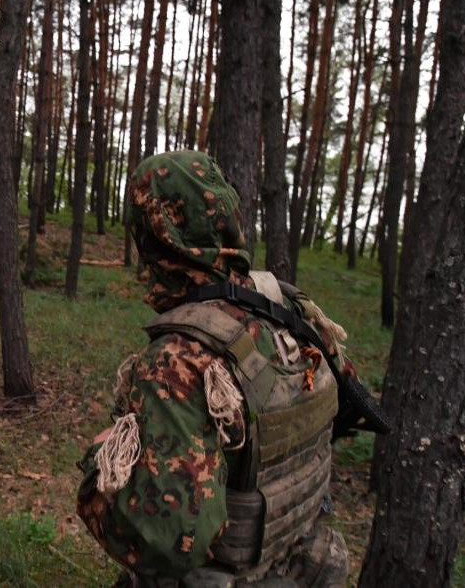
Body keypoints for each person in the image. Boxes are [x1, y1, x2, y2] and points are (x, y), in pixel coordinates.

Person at [77, 151, 386, 587]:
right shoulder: (290, 308)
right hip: (304, 568)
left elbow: (165, 545)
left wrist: (101, 467)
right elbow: (346, 408)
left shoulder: (179, 360)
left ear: (153, 234)